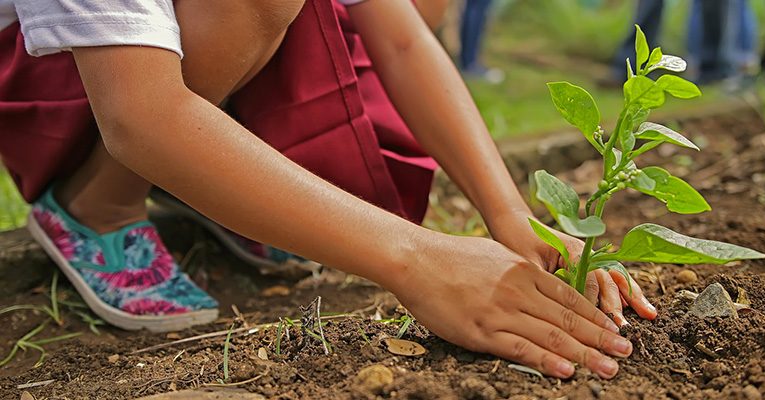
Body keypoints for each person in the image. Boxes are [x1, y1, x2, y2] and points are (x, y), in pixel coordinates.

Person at [0, 0, 656, 379]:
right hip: (66, 86)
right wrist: (417, 258)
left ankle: (214, 181)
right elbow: (140, 114)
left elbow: (399, 37)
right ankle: (97, 205)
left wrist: (509, 214)